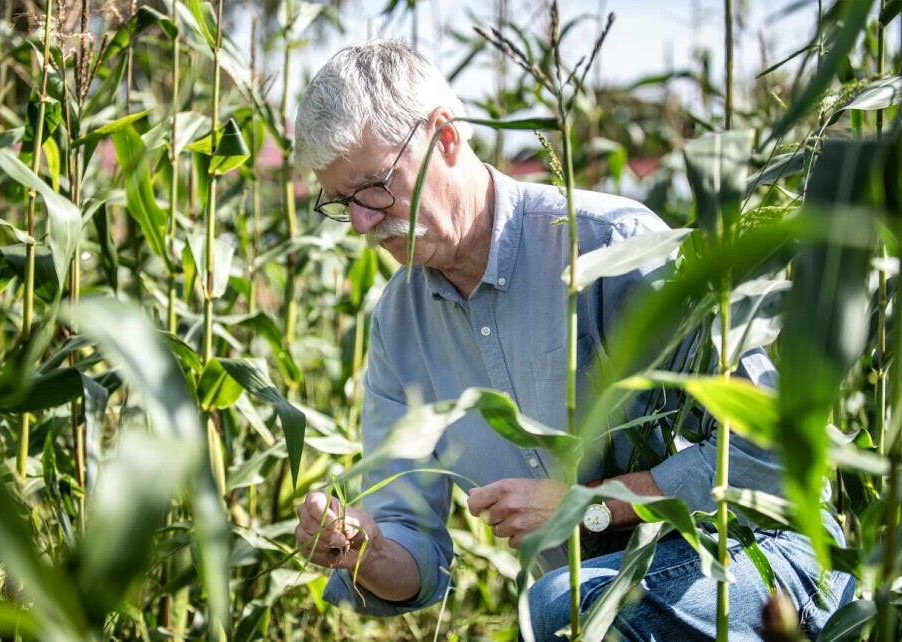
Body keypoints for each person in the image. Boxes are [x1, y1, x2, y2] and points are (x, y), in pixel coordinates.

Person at [291, 38, 853, 640]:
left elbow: (779, 448)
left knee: (560, 607)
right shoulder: (400, 326)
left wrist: (590, 503)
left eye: (374, 187)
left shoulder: (614, 246)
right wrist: (366, 550)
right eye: (341, 202)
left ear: (444, 137)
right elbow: (414, 555)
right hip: (603, 605)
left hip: (765, 560)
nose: (360, 223)